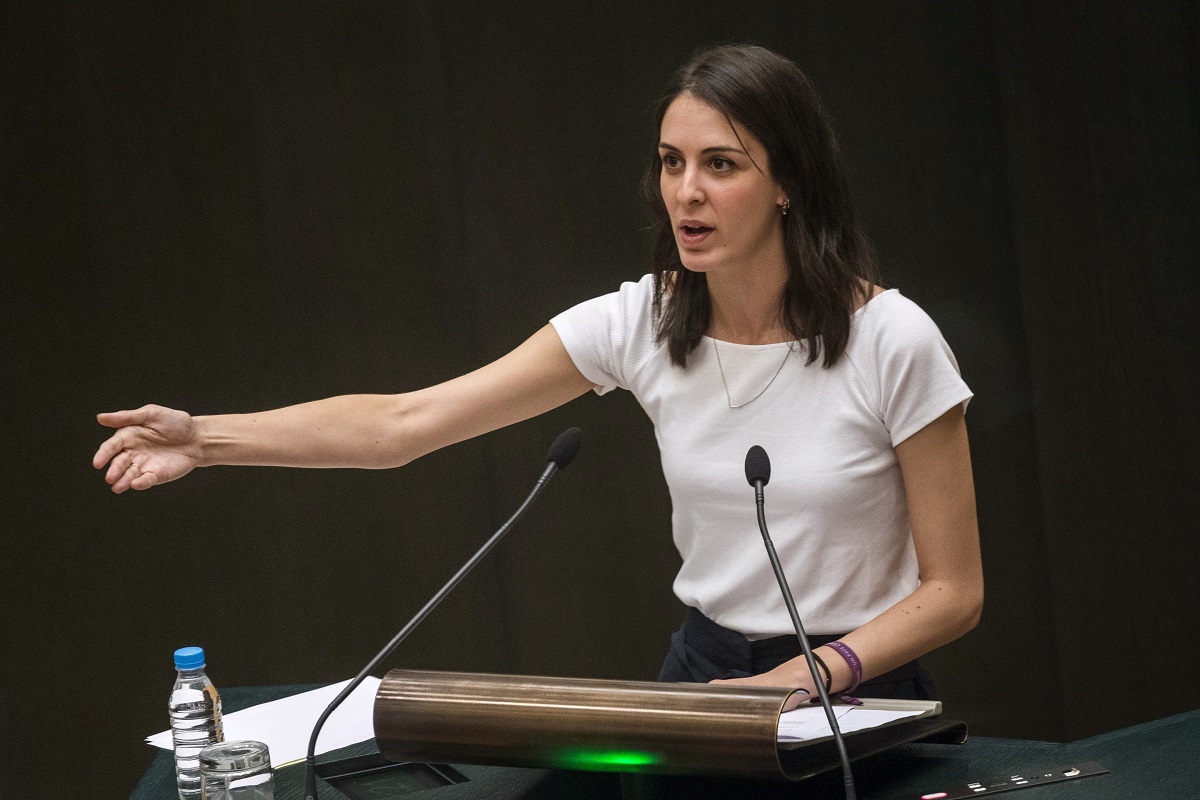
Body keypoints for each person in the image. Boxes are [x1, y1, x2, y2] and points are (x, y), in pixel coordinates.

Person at [93, 44, 981, 705]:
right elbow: (406, 423)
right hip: (706, 680)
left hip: (863, 687)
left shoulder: (891, 339)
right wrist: (207, 440)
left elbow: (954, 591)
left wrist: (804, 677)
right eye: (672, 163)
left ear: (789, 184)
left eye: (721, 166)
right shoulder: (643, 321)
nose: (685, 193)